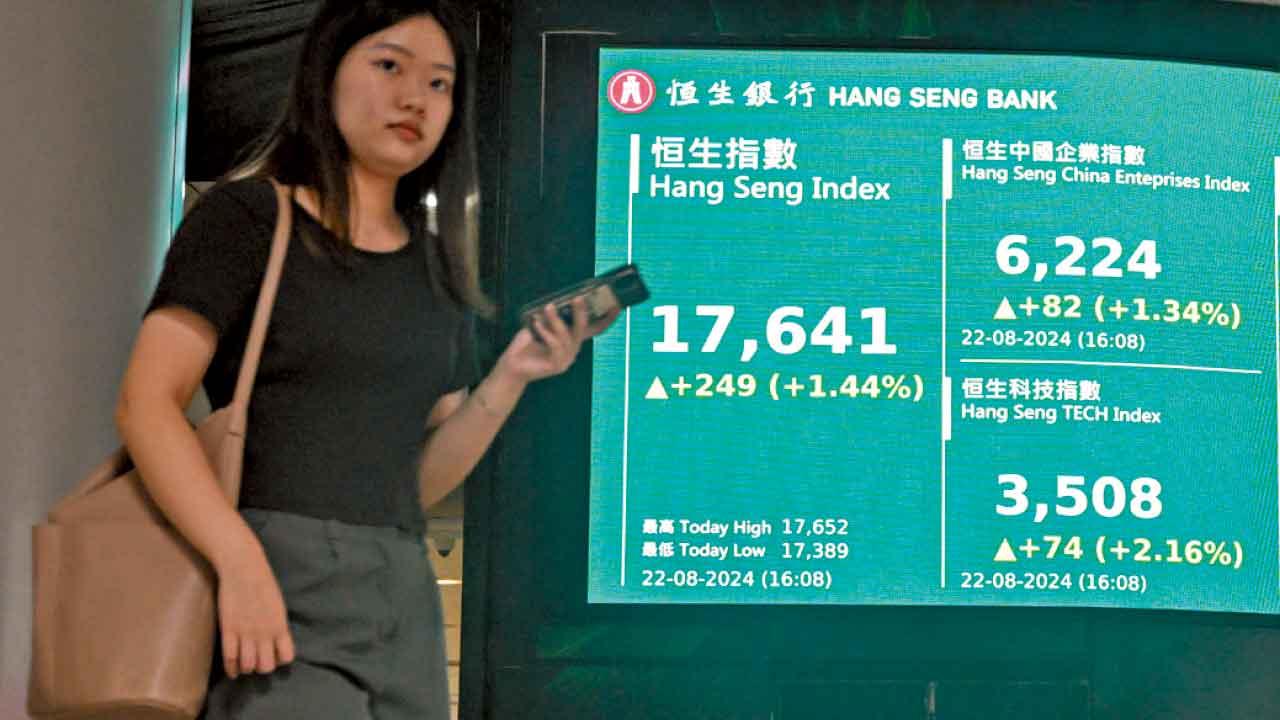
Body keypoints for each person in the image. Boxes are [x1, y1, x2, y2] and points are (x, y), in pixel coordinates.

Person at [112, 2, 617, 718]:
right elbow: (145, 404)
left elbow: (417, 481)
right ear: (326, 74)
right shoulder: (251, 219)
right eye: (389, 66)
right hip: (276, 570)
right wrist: (238, 558)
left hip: (402, 589)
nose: (416, 98)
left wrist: (512, 376)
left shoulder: (434, 267)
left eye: (440, 83)